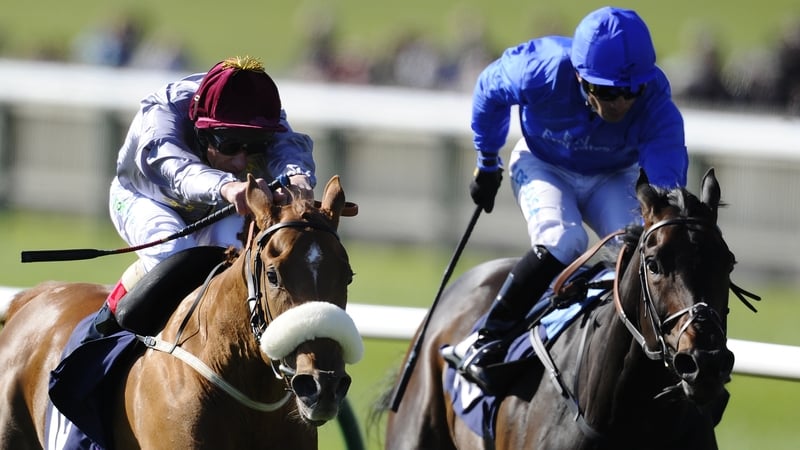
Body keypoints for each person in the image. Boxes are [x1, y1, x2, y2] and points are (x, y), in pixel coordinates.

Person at [448, 7, 688, 393]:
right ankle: (485, 340)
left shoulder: (654, 96)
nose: (622, 103)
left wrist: (663, 209)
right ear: (579, 76)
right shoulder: (538, 69)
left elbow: (666, 170)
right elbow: (488, 91)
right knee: (564, 240)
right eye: (609, 92)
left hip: (612, 176)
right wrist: (486, 161)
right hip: (544, 164)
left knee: (643, 252)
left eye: (632, 90)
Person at [90, 55, 316, 338]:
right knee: (179, 257)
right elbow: (178, 170)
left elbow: (289, 151)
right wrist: (227, 187)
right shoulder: (162, 114)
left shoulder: (264, 115)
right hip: (145, 199)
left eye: (256, 146)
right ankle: (102, 327)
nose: (240, 161)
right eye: (230, 145)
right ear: (201, 130)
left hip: (215, 206)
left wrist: (298, 180)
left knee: (238, 264)